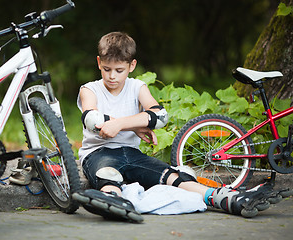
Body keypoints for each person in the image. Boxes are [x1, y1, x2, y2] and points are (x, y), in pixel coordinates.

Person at [72, 32, 290, 223]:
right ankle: (113, 202)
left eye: (119, 70)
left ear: (132, 65)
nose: (112, 76)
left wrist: (121, 124)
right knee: (107, 175)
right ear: (99, 62)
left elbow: (160, 116)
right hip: (98, 153)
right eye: (107, 69)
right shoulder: (90, 89)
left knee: (173, 176)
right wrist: (135, 124)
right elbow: (93, 120)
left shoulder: (137, 86)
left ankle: (225, 198)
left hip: (132, 154)